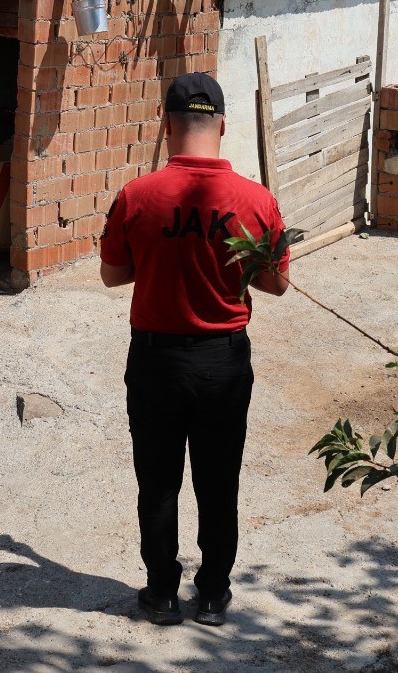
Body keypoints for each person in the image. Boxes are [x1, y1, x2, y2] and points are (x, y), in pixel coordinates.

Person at [98, 73, 291, 627]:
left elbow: (113, 275)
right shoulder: (257, 201)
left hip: (156, 360)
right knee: (217, 479)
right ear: (223, 125)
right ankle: (212, 594)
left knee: (158, 481)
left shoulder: (137, 196)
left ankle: (161, 593)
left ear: (166, 126)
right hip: (222, 362)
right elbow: (275, 285)